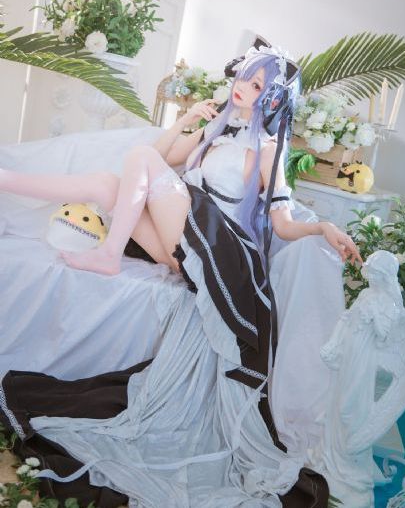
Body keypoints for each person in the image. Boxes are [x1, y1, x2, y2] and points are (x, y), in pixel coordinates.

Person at [0, 45, 362, 508]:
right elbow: (150, 160)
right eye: (245, 76)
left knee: (137, 166)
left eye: (257, 85)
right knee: (107, 185)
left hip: (220, 248)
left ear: (272, 99)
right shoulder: (218, 128)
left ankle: (109, 254)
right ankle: (7, 179)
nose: (243, 87)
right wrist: (187, 120)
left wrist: (322, 227)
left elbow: (283, 222)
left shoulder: (268, 148)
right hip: (185, 236)